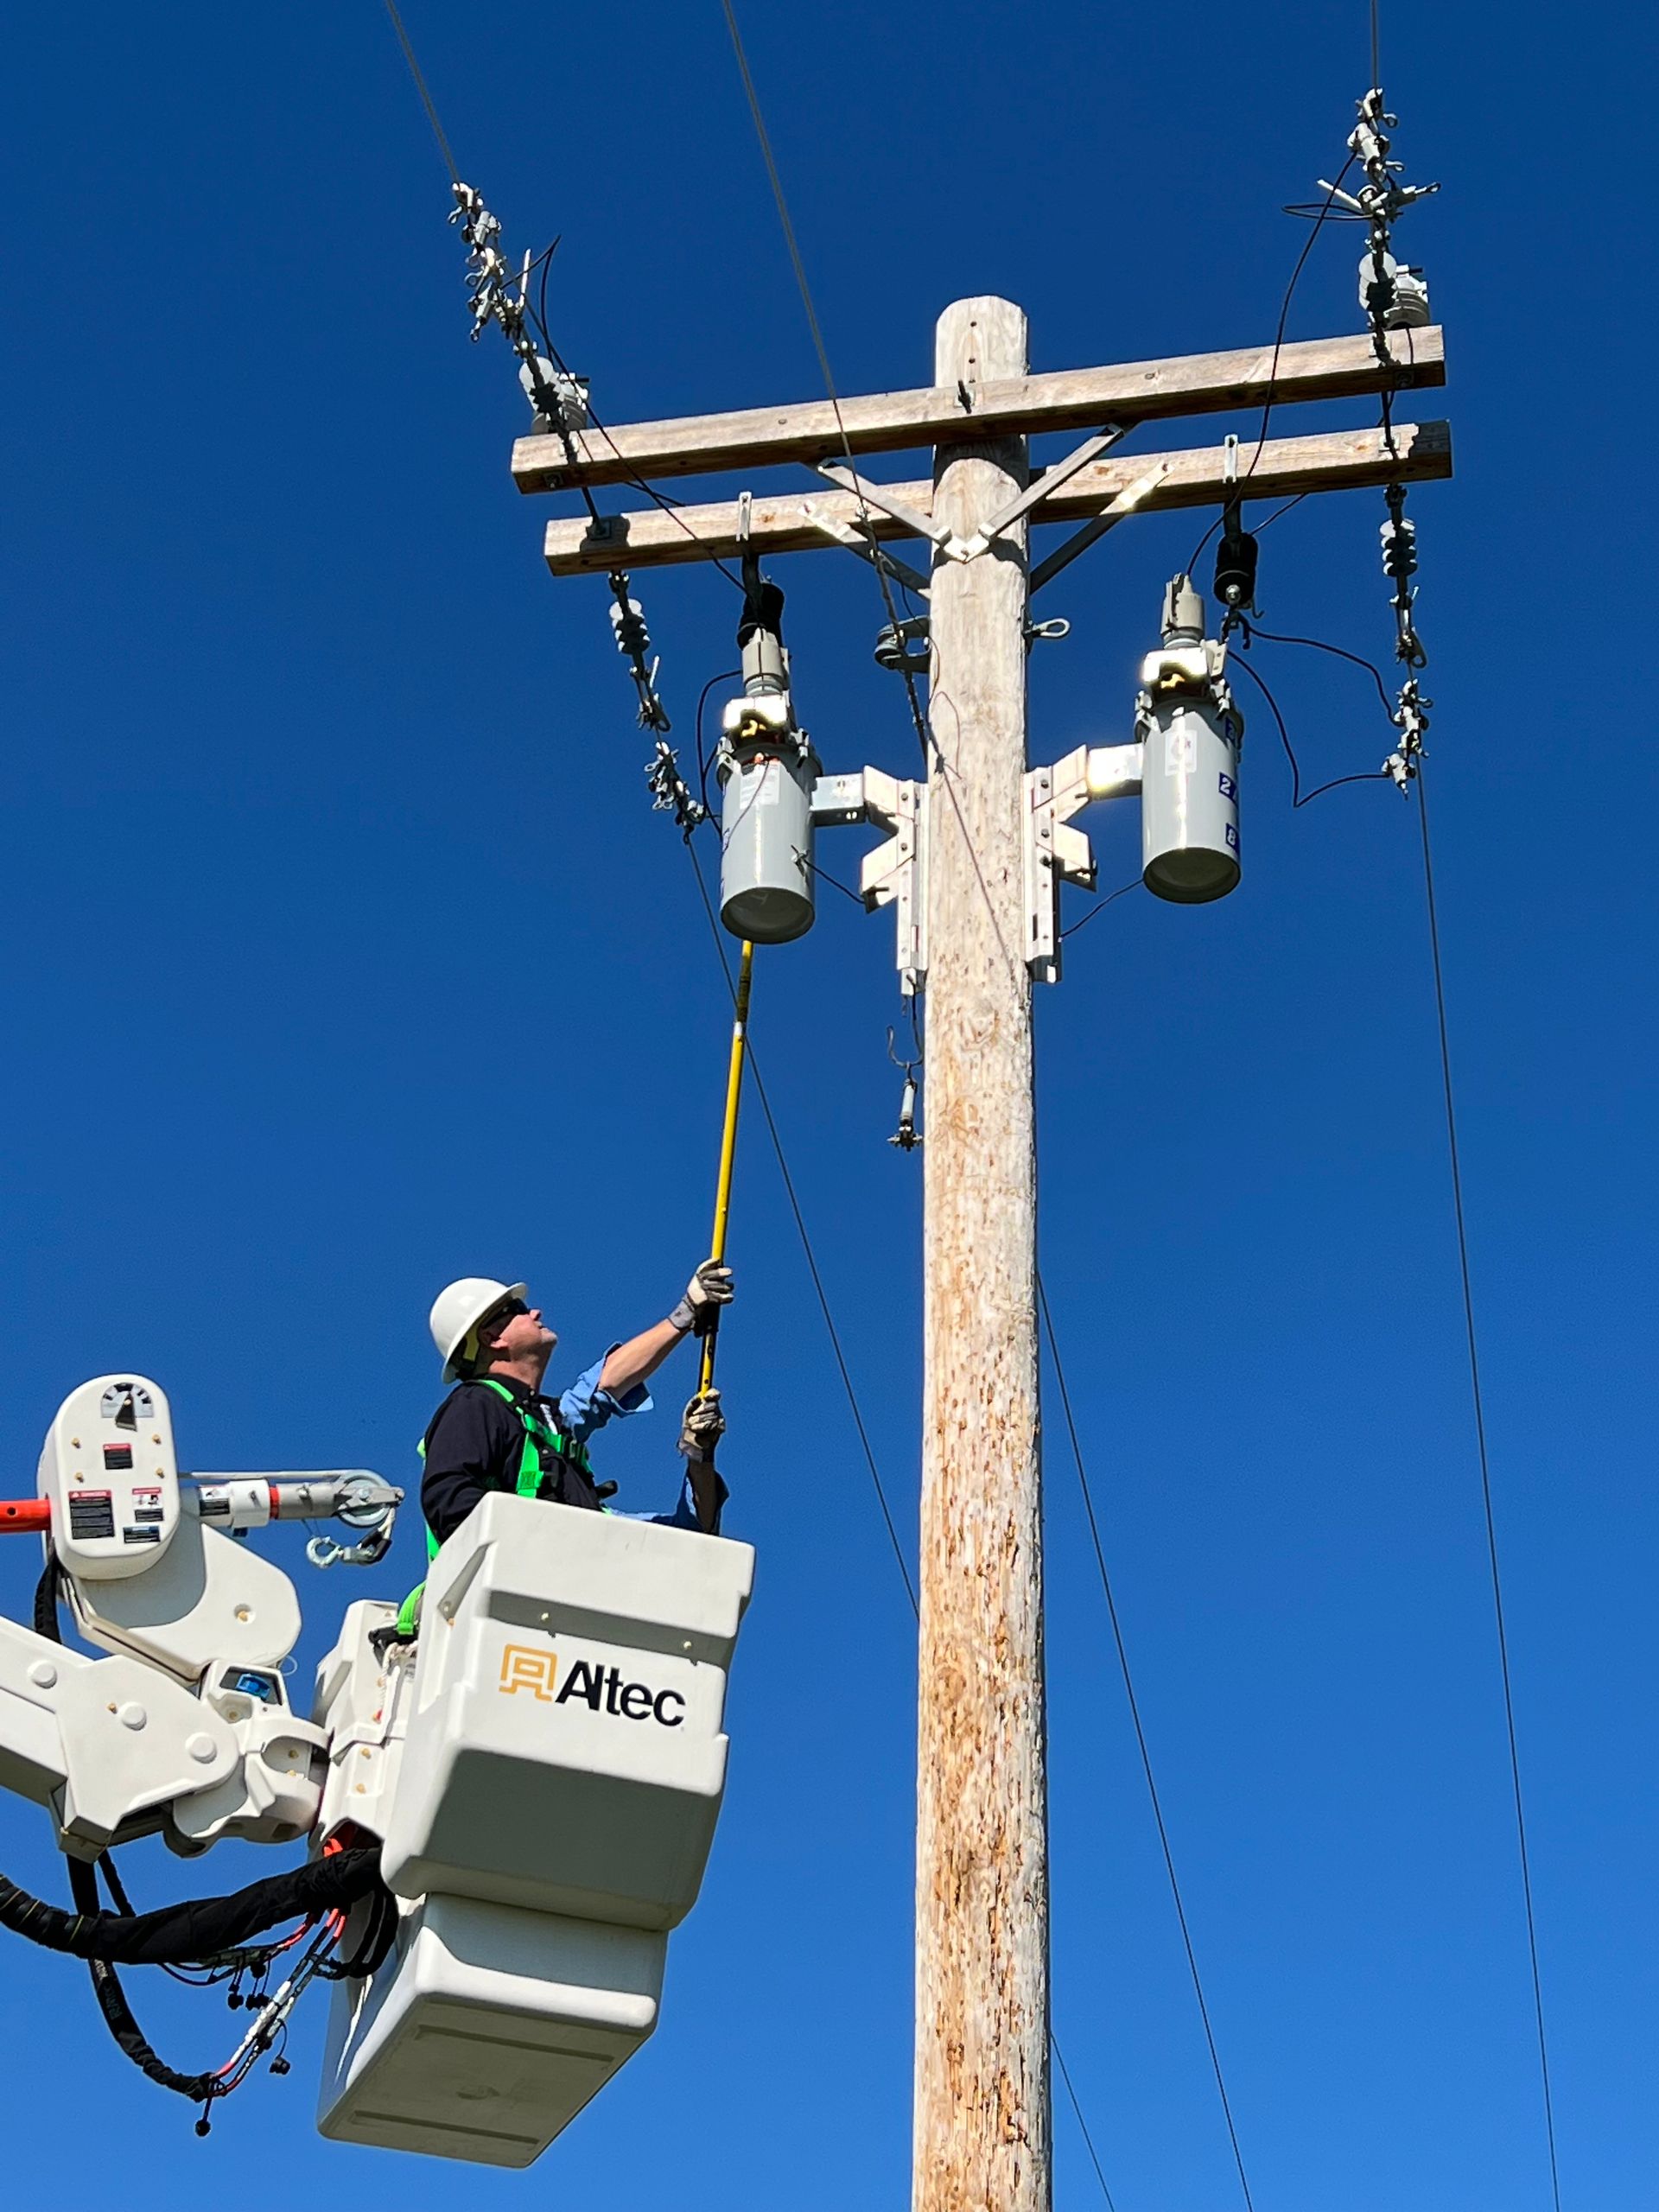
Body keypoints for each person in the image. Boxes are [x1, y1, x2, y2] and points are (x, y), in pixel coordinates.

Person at [419, 1267, 734, 1552]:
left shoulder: (544, 1424)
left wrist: (698, 1456)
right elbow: (448, 1501)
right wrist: (536, 1545)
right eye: (518, 1309)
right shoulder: (475, 1406)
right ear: (492, 1338)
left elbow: (694, 1536)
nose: (536, 1313)